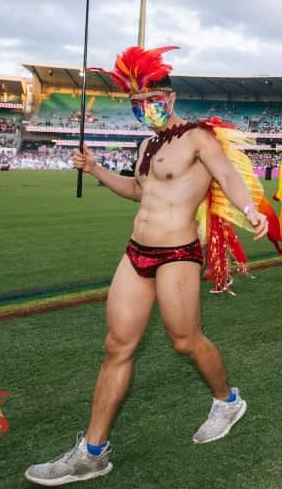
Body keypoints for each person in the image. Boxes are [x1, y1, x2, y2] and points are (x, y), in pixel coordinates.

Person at [25, 47, 266, 486]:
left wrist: (250, 210)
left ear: (169, 98)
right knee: (117, 346)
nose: (143, 110)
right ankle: (92, 453)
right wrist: (96, 169)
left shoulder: (198, 137)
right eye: (136, 104)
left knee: (185, 340)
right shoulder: (145, 145)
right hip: (137, 252)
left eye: (150, 101)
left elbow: (228, 176)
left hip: (177, 253)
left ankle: (227, 400)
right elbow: (138, 193)